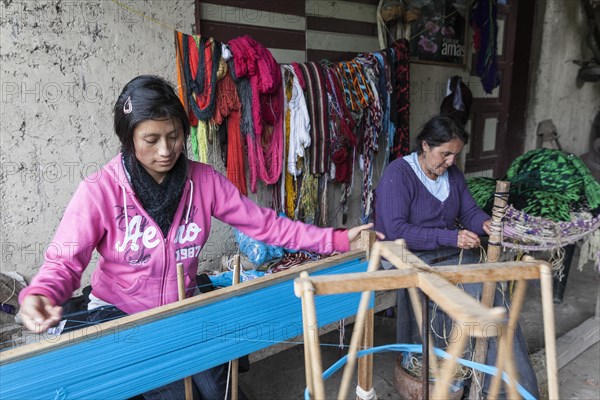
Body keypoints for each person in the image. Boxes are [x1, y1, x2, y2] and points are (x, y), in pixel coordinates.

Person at [18, 75, 380, 400]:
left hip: (183, 308)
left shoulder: (203, 182)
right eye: (151, 139)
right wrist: (42, 294)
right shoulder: (100, 191)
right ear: (129, 139)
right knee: (171, 388)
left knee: (217, 385)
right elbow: (64, 260)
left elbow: (266, 225)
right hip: (123, 315)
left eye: (174, 136)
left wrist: (338, 240)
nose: (165, 150)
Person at [374, 115, 539, 398]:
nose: (450, 161)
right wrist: (452, 237)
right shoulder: (397, 174)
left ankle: (506, 387)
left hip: (446, 252)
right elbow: (394, 229)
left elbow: (469, 212)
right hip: (409, 255)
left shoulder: (453, 175)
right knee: (477, 293)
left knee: (496, 289)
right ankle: (491, 386)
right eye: (445, 154)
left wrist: (485, 223)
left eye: (455, 155)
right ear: (425, 146)